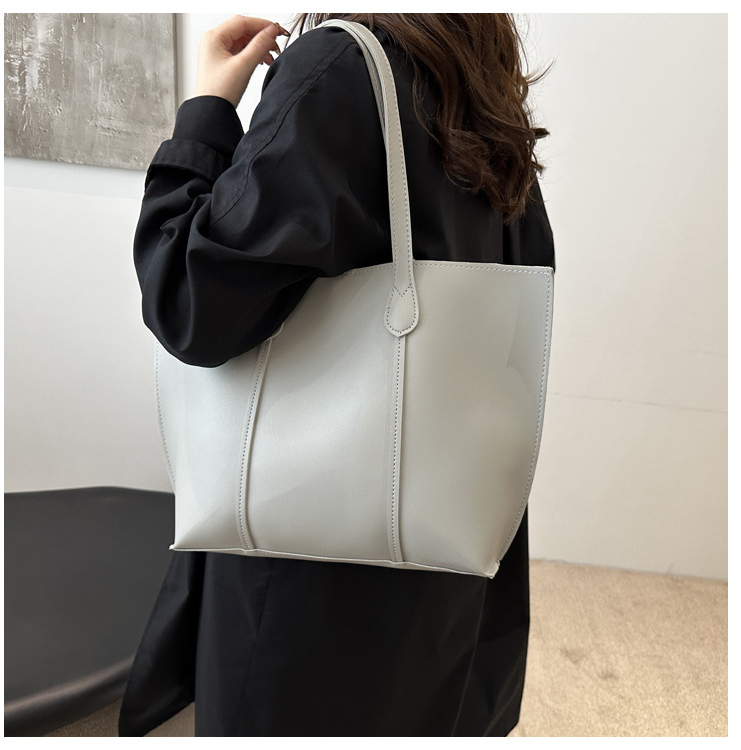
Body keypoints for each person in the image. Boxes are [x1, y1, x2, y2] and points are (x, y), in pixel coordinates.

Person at [118, 13, 555, 737]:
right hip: (441, 552)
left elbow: (189, 305)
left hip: (310, 574)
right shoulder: (478, 79)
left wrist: (206, 111)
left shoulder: (341, 69)